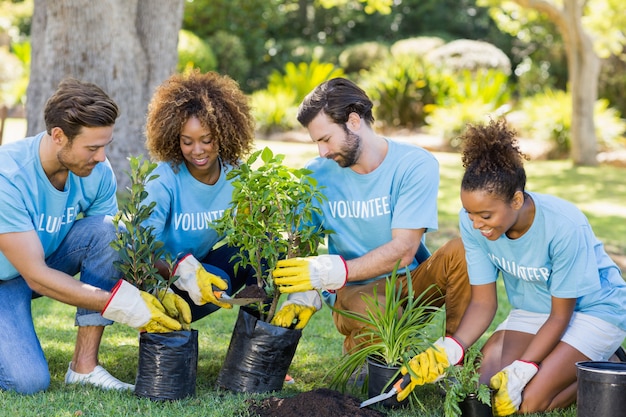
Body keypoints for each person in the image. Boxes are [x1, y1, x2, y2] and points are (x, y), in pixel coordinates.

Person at [393, 118, 626, 415]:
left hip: (594, 311)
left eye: (486, 216)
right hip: (534, 309)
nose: (476, 224)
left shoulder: (563, 225)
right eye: (469, 213)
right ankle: (569, 360)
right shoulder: (474, 224)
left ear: (516, 200)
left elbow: (560, 316)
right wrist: (450, 348)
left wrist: (523, 368)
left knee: (526, 401)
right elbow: (483, 302)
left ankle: (606, 367)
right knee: (487, 390)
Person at [0, 78, 187, 395]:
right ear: (58, 136)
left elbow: (112, 246)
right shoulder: (9, 175)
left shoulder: (96, 173)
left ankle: (84, 367)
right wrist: (124, 304)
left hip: (35, 265)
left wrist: (163, 282)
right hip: (16, 275)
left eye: (104, 146)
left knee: (108, 230)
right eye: (92, 147)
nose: (101, 157)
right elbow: (37, 277)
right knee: (28, 382)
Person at [272, 77, 471, 354]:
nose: (322, 151)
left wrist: (334, 270)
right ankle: (367, 349)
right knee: (382, 325)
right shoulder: (316, 174)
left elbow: (404, 250)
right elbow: (302, 242)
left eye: (326, 139)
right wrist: (303, 295)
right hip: (354, 290)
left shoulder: (414, 164)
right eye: (316, 142)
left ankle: (452, 356)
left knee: (462, 251)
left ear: (354, 121)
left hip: (409, 284)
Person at [142, 69, 263, 321]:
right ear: (175, 139)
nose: (197, 150)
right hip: (161, 277)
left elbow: (250, 236)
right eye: (187, 142)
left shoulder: (236, 174)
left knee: (266, 243)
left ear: (223, 134)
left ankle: (256, 340)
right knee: (216, 285)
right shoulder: (163, 179)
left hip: (200, 268)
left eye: (206, 140)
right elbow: (140, 251)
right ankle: (164, 321)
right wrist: (182, 275)